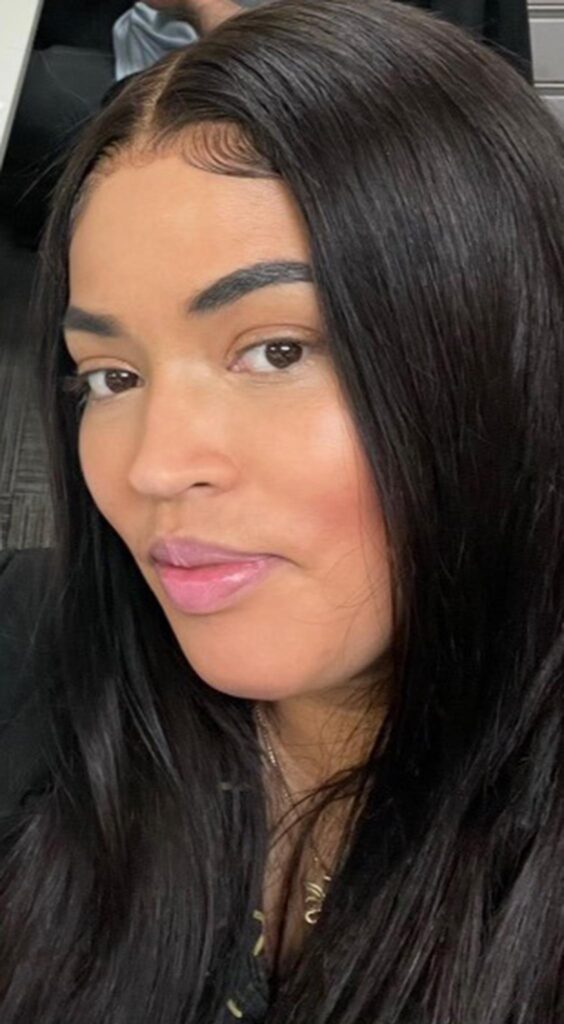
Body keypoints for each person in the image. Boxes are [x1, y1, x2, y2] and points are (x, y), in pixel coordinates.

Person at [1, 0, 563, 1021]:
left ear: (501, 349)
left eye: (276, 350)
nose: (155, 467)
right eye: (112, 376)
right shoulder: (34, 654)